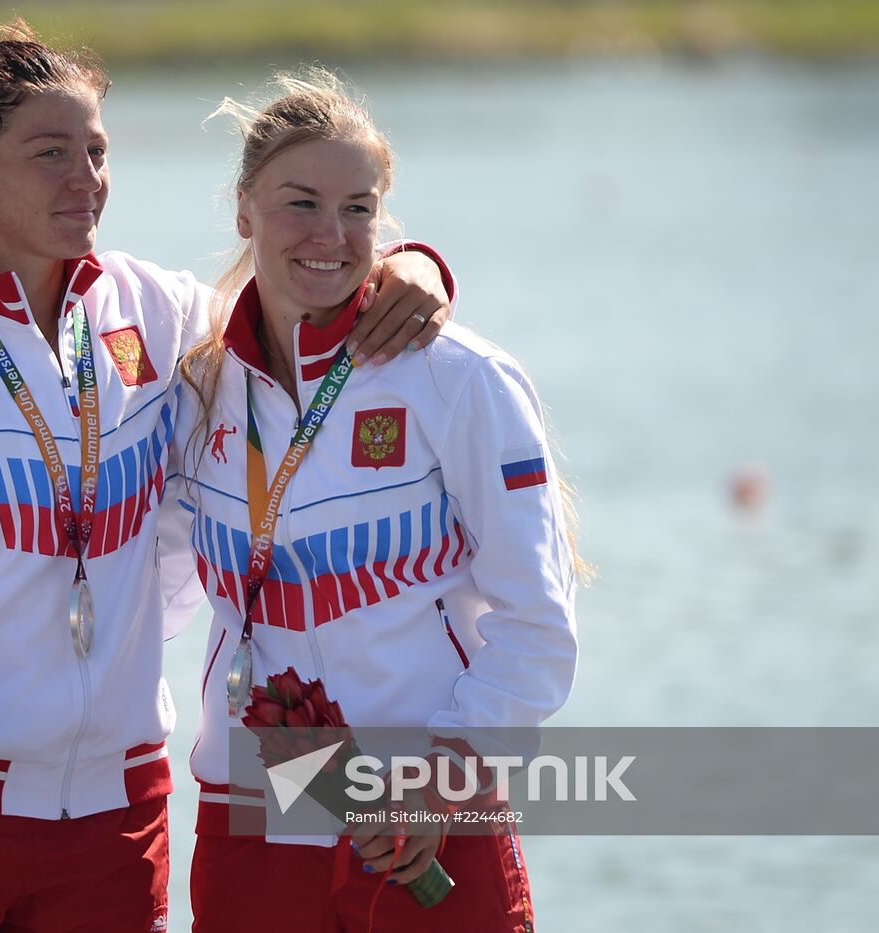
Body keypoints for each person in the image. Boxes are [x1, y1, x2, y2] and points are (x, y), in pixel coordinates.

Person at [0, 22, 455, 933]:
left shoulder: (155, 312)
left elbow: (294, 293)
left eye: (97, 151)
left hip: (117, 826)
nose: (87, 179)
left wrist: (409, 265)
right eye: (50, 154)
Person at [175, 71, 579, 932]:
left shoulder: (458, 377)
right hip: (252, 819)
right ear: (243, 208)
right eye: (302, 203)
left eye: (359, 208)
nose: (333, 235)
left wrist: (443, 783)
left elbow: (538, 624)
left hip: (425, 824)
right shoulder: (195, 385)